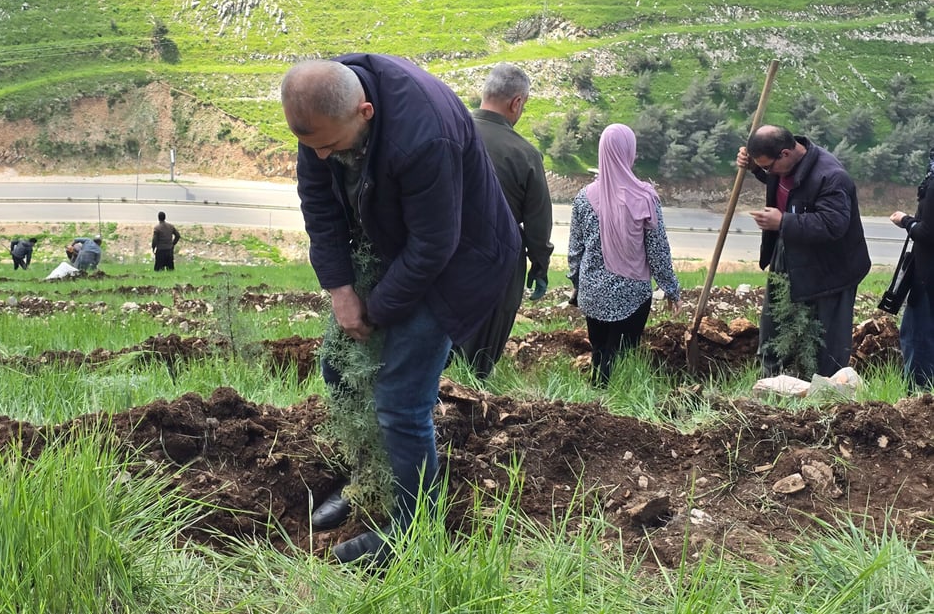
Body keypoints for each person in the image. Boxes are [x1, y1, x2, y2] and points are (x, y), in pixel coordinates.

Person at [281, 54, 520, 566]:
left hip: (460, 260)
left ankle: (413, 529)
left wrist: (378, 310)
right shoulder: (320, 115)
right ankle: (370, 480)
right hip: (391, 245)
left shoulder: (423, 134)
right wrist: (342, 291)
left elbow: (435, 244)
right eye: (310, 147)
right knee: (339, 369)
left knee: (400, 397)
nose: (319, 157)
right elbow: (319, 209)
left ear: (364, 112)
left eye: (328, 146)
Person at [737, 125, 870, 376]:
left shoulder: (831, 177)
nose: (769, 172)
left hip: (832, 269)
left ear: (785, 153)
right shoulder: (784, 165)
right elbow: (779, 180)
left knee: (826, 337)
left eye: (767, 166)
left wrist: (783, 222)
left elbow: (834, 225)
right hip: (790, 250)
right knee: (774, 319)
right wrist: (755, 168)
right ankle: (772, 381)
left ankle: (826, 393)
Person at [454, 63, 554, 378]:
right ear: (516, 103)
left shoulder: (447, 133)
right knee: (478, 363)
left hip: (439, 252)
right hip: (497, 263)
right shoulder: (524, 154)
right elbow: (538, 222)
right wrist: (539, 266)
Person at [568, 123, 681, 386]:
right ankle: (616, 405)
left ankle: (596, 398)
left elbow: (575, 250)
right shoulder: (644, 198)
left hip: (592, 291)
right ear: (628, 152)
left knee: (599, 351)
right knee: (621, 354)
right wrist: (671, 289)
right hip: (631, 293)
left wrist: (577, 284)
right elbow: (658, 251)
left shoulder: (583, 198)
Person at [889, 146, 934, 390]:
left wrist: (906, 221)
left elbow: (928, 232)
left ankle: (919, 397)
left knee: (919, 337)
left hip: (927, 276)